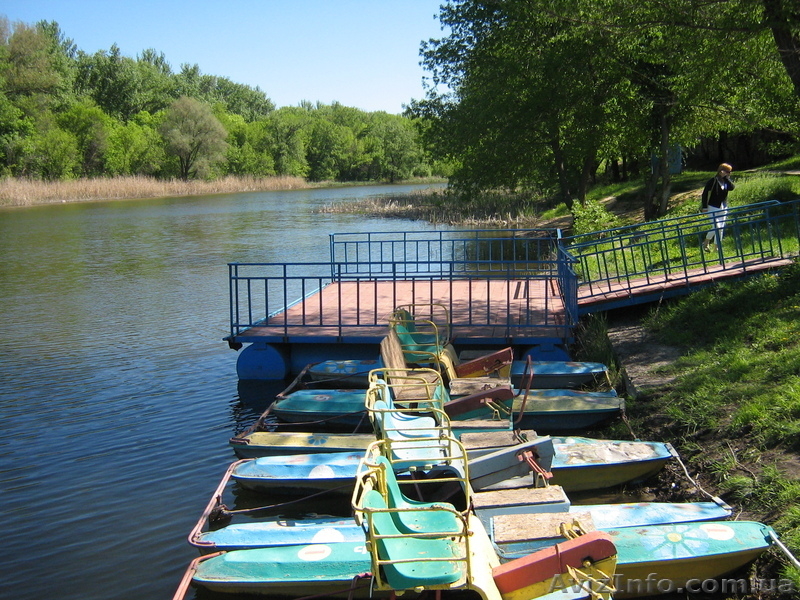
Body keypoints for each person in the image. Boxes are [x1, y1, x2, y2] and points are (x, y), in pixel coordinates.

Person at [700, 163, 735, 251]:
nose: (729, 174)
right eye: (727, 172)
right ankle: (706, 241)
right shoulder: (713, 181)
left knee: (721, 228)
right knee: (717, 226)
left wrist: (726, 178)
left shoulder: (726, 181)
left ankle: (716, 246)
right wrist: (704, 207)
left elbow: (732, 187)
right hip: (712, 206)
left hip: (723, 206)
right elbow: (705, 194)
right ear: (721, 171)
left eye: (730, 172)